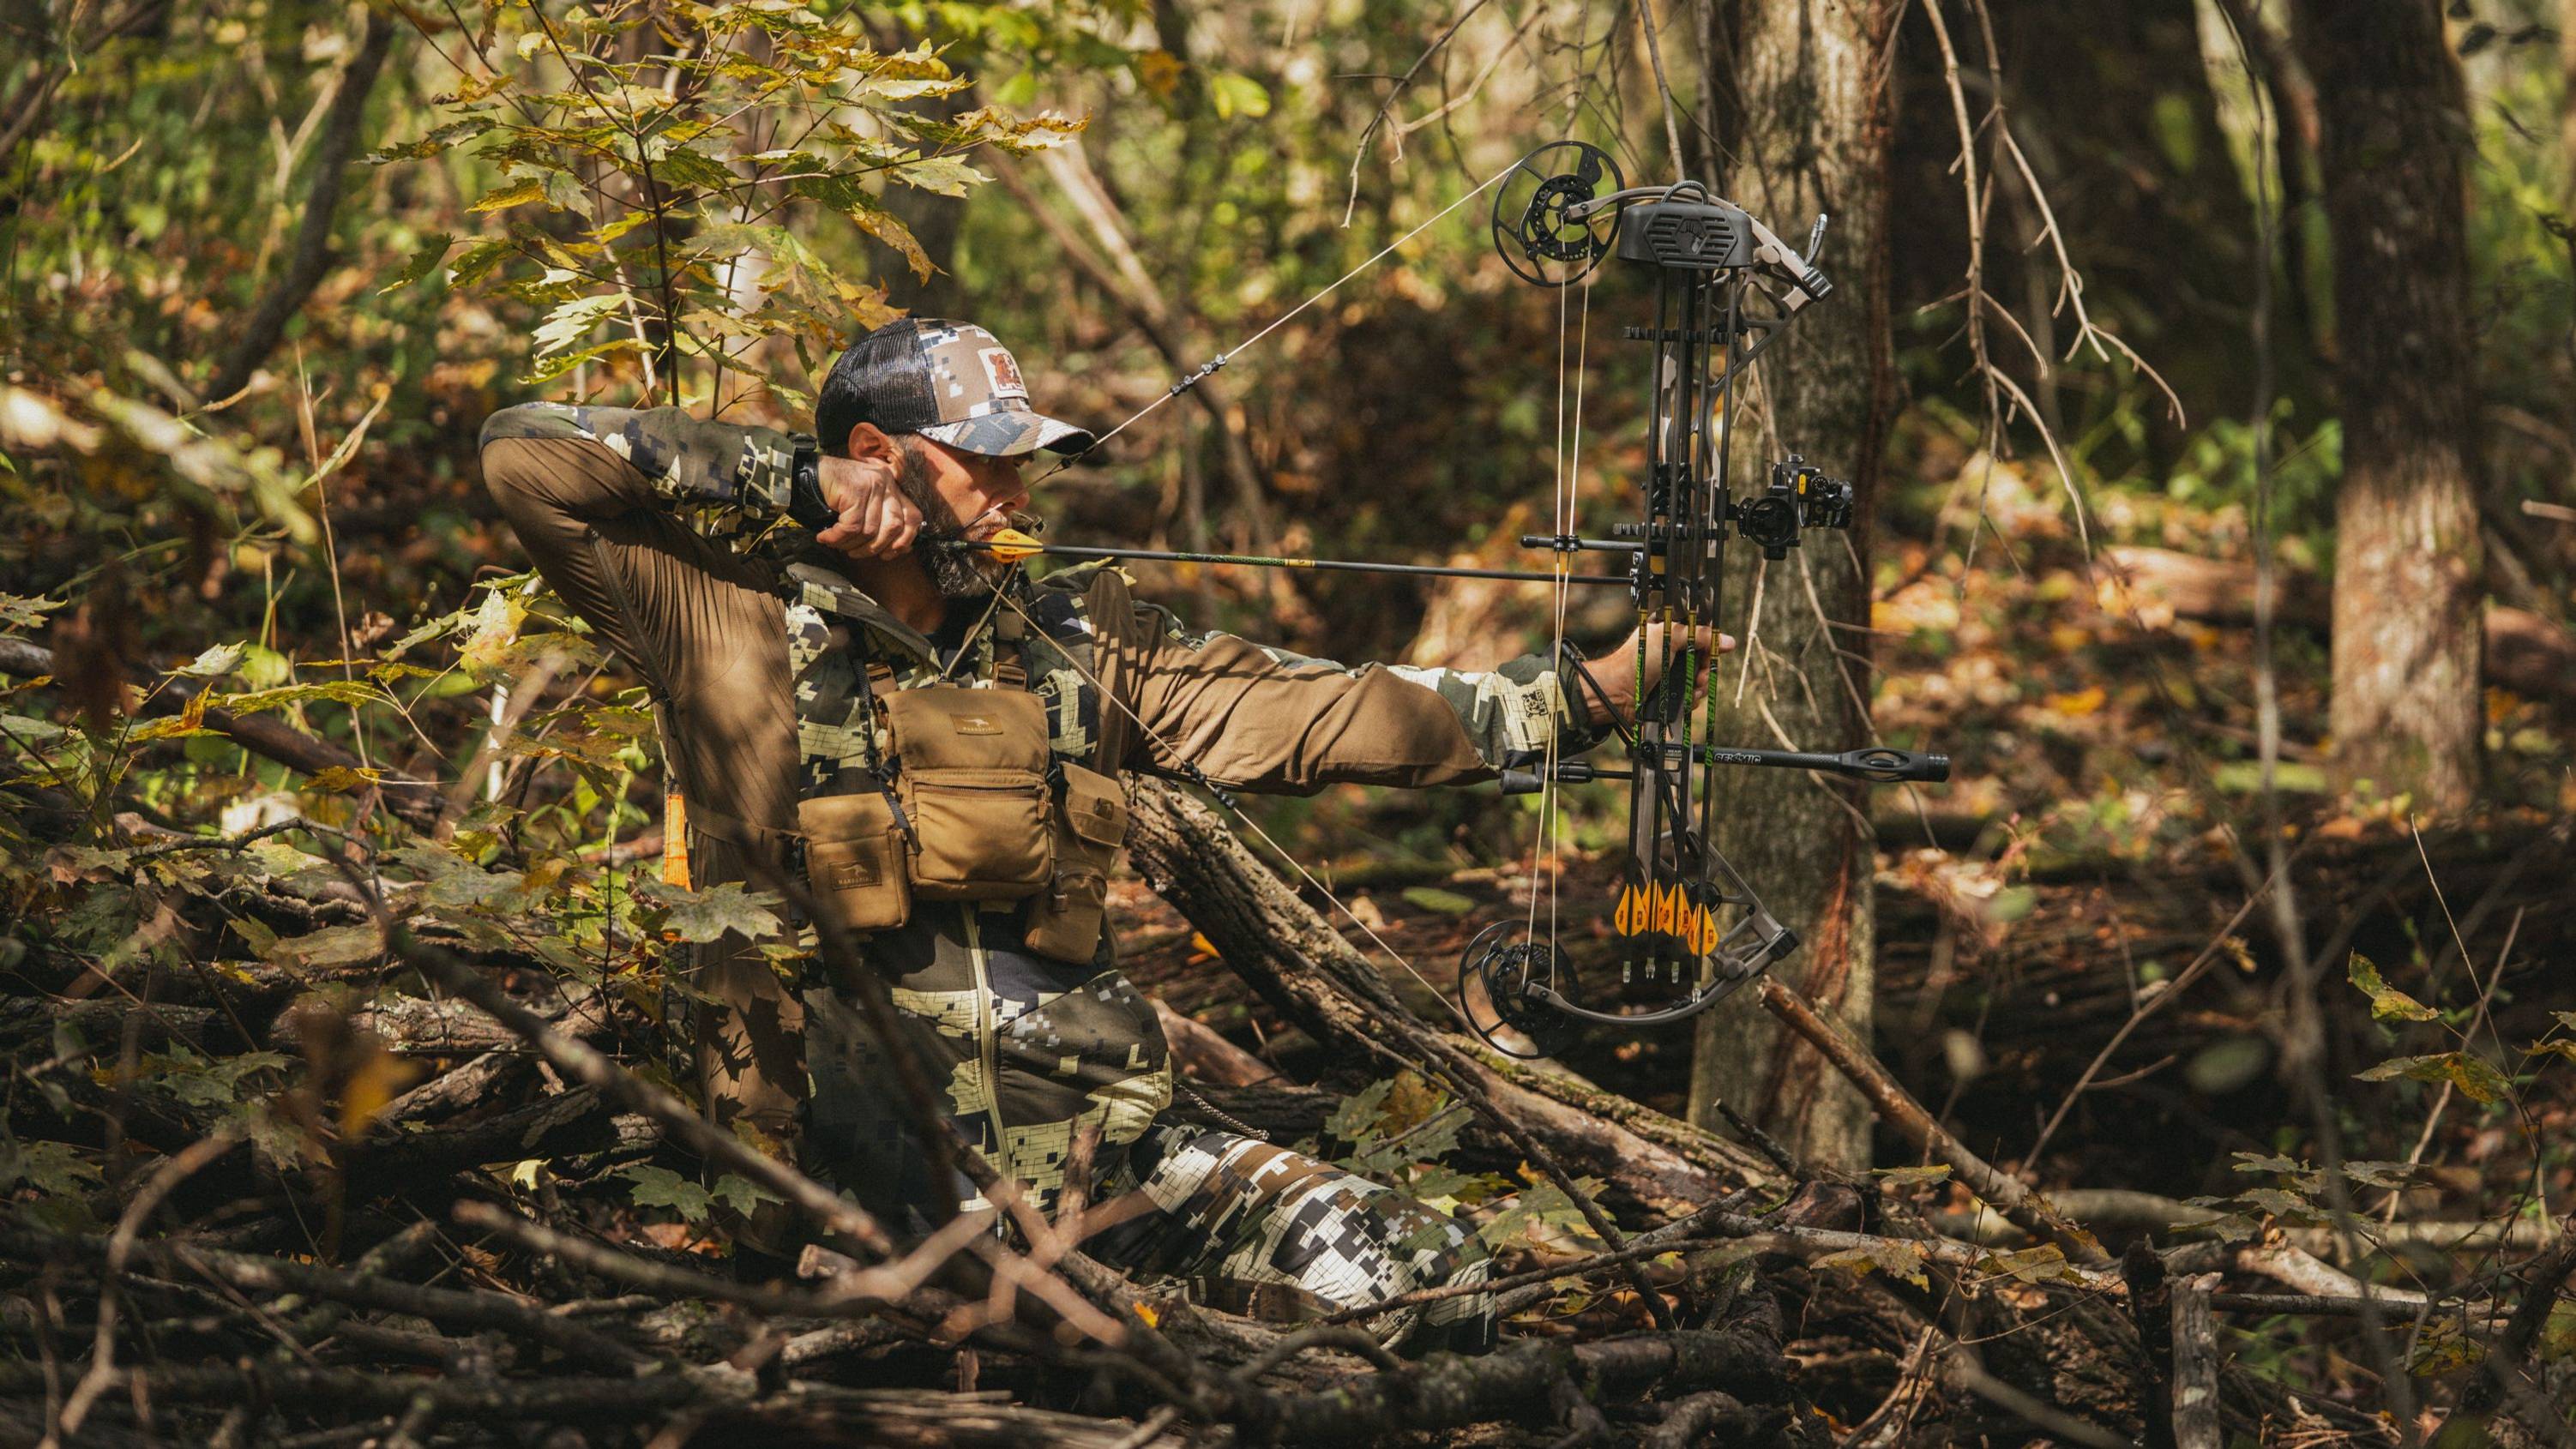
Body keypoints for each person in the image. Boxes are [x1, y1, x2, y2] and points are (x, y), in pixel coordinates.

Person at [478, 317, 1728, 1353]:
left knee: (1436, 1271)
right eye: (990, 466)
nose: (1023, 496)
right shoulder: (724, 614)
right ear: (878, 456)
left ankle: (1190, 1338)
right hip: (848, 1201)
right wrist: (794, 482)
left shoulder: (1083, 639)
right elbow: (521, 455)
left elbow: (1329, 710)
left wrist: (1593, 690)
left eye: (1030, 467)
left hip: (1109, 1164)